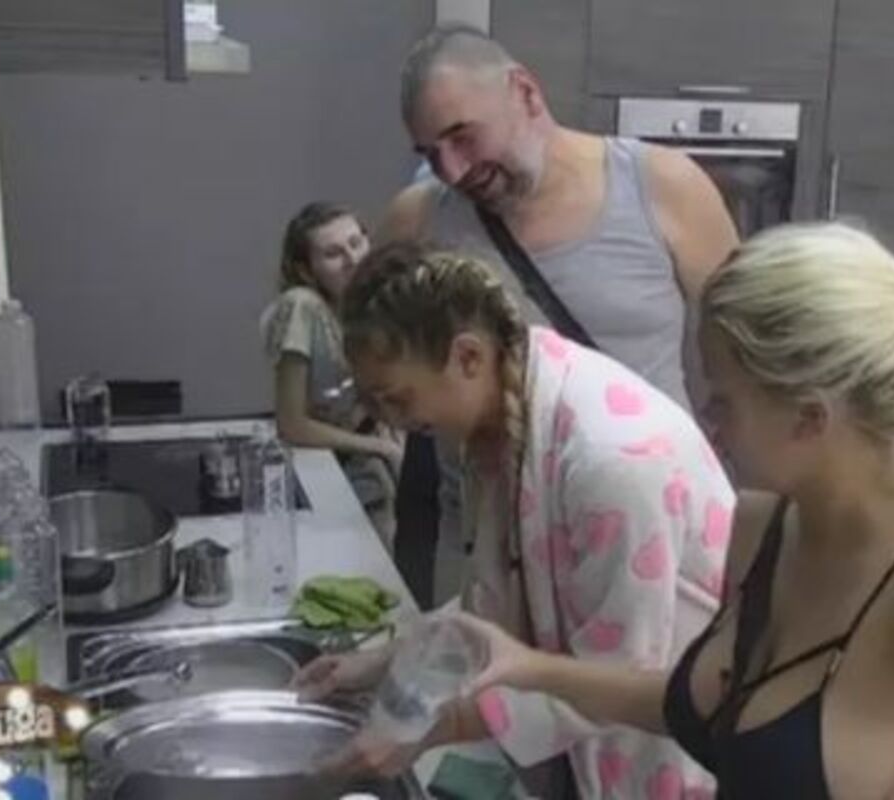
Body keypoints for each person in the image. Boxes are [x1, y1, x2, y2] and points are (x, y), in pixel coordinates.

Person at [455, 223, 894, 798]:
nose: (709, 424)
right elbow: (715, 710)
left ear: (809, 418)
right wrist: (532, 669)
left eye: (724, 401)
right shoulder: (761, 526)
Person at [294, 244, 735, 798]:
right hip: (598, 746)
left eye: (399, 400)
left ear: (468, 356)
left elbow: (620, 672)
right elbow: (496, 601)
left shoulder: (614, 460)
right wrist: (381, 661)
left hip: (669, 750)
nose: (396, 423)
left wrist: (438, 726)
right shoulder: (510, 413)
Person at [381, 25, 739, 606]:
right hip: (484, 546)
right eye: (430, 154)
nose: (452, 170)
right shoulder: (417, 222)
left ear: (525, 92)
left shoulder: (662, 187)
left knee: (622, 666)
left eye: (462, 136)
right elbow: (386, 366)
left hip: (641, 539)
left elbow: (746, 354)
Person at [259, 202, 401, 545]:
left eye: (356, 243)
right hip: (325, 475)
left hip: (372, 474)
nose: (352, 259)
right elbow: (292, 425)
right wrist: (382, 447)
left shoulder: (370, 308)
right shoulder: (302, 306)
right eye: (333, 253)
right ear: (306, 270)